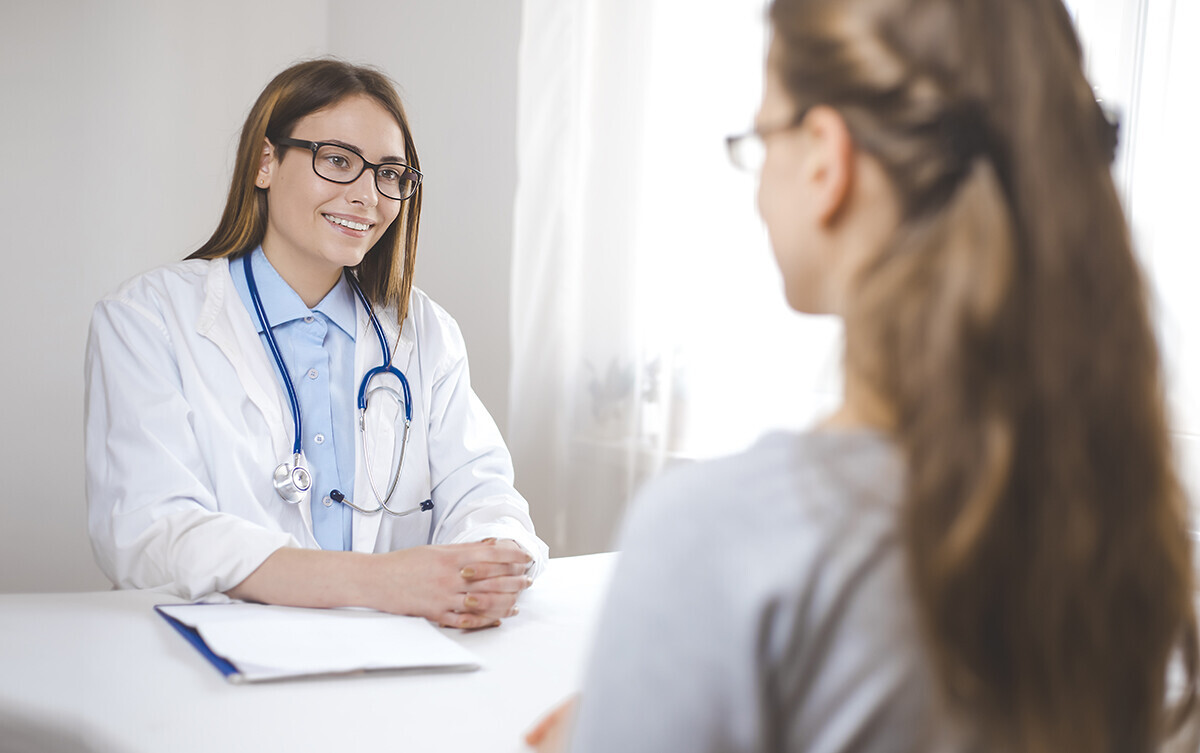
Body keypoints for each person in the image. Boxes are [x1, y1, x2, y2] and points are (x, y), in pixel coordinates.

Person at [526, 0, 1200, 750]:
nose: (756, 182)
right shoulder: (1117, 511)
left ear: (825, 156)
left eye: (759, 138)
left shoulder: (721, 534)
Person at [86, 59, 546, 630]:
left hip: (395, 659)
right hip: (212, 661)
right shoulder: (149, 318)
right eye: (336, 161)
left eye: (390, 174)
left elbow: (481, 489)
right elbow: (150, 532)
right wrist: (386, 583)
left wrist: (486, 563)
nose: (368, 196)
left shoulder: (422, 331)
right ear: (265, 162)